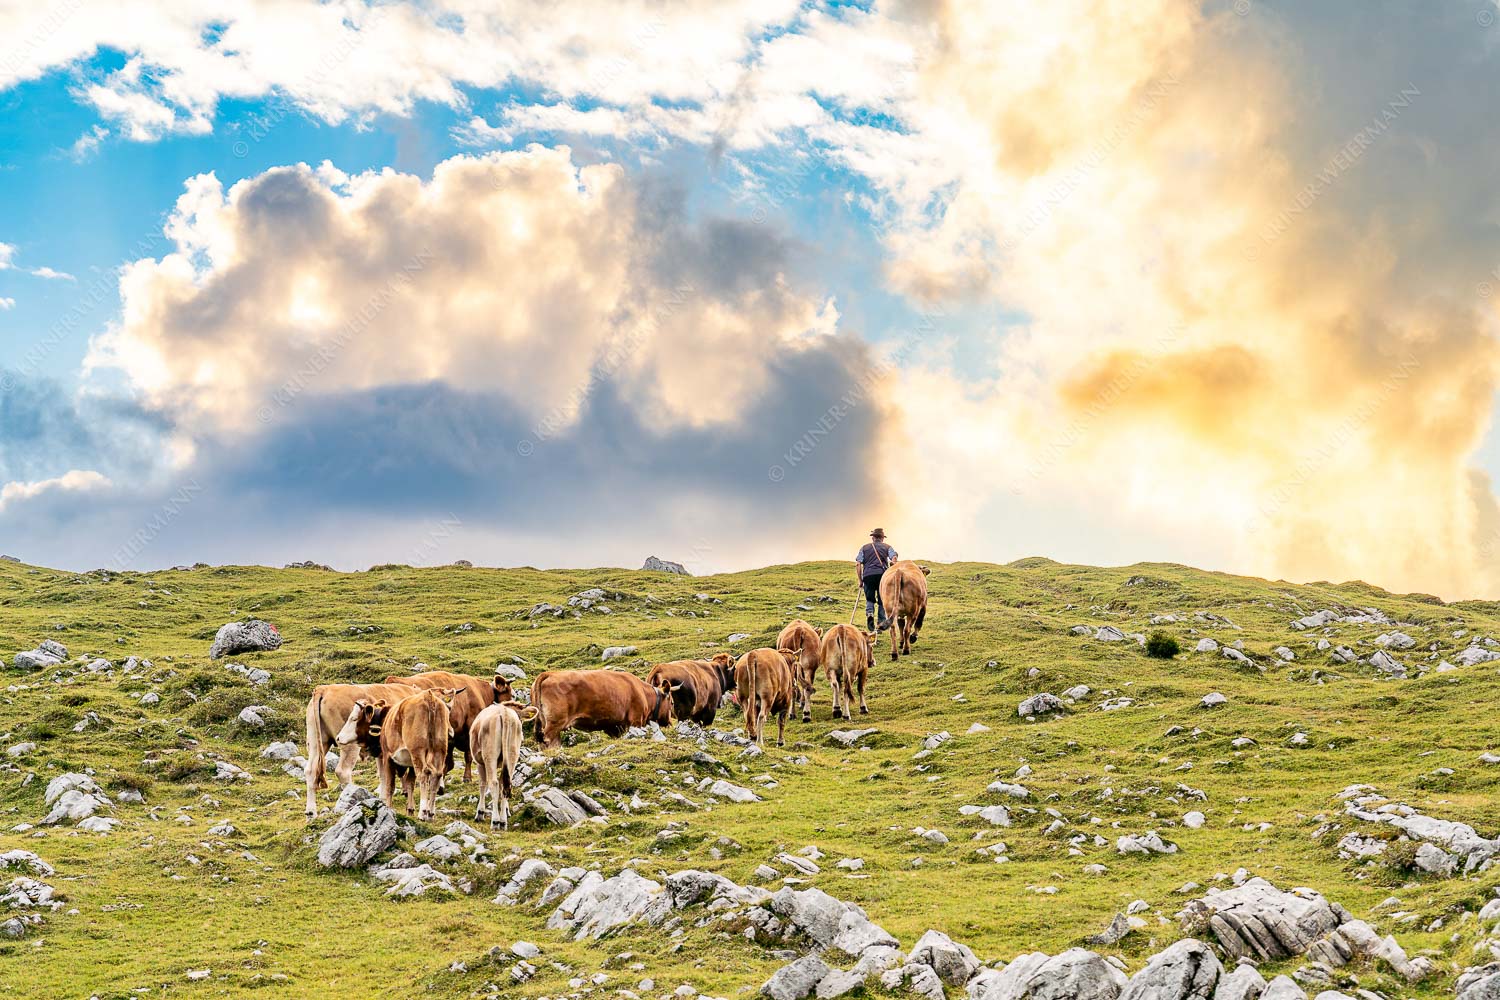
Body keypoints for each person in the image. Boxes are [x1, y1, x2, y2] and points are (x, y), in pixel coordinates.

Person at [854, 528, 897, 632]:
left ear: (873, 538)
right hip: (883, 577)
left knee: (870, 599)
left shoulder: (864, 548)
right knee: (882, 601)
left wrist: (860, 580)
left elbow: (858, 563)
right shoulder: (888, 547)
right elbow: (894, 558)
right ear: (882, 538)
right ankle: (880, 625)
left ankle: (870, 613)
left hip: (868, 576)